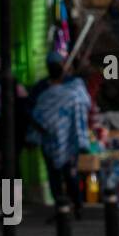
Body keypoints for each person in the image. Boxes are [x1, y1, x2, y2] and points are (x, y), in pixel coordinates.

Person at [27, 54, 90, 215]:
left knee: (56, 174)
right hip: (67, 138)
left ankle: (64, 207)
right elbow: (84, 106)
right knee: (69, 173)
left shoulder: (42, 89)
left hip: (51, 139)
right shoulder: (74, 86)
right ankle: (75, 206)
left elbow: (33, 113)